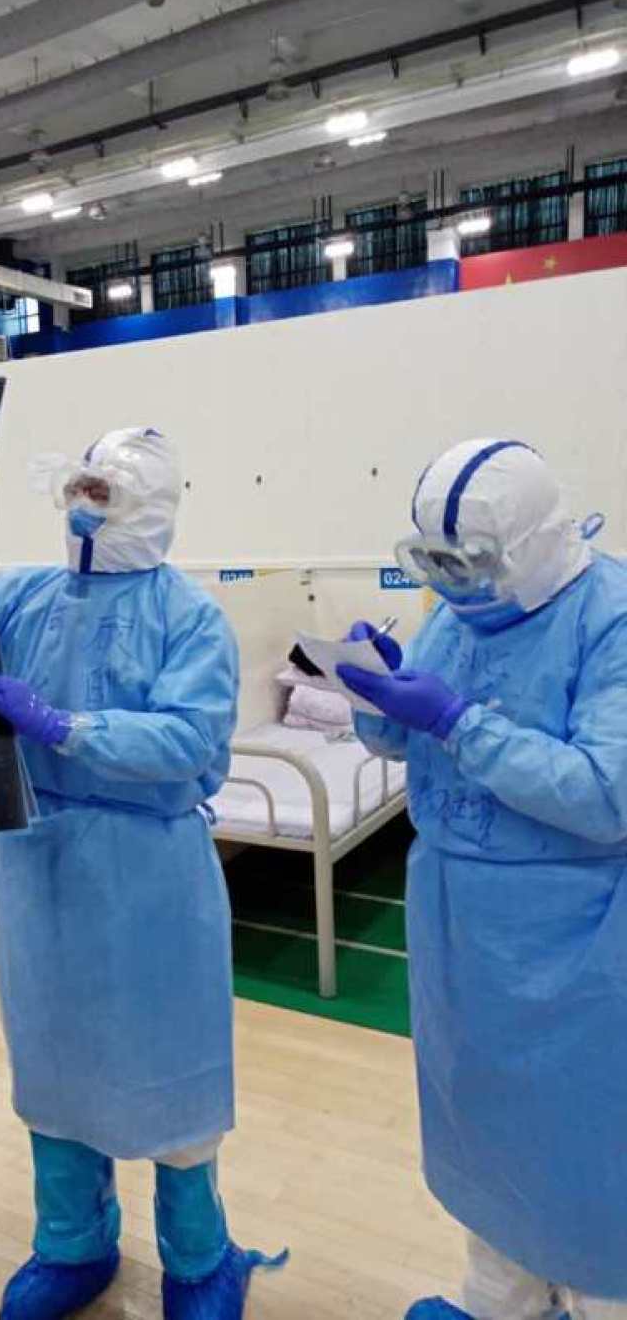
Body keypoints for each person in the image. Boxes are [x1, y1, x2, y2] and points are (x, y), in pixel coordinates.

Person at [0, 427, 285, 1320]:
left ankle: (200, 1257)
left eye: (101, 493)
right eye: (76, 488)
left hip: (150, 875)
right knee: (53, 1064)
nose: (81, 507)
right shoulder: (26, 595)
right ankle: (73, 1241)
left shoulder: (189, 617)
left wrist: (64, 725)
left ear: (148, 504)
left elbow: (190, 739)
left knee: (170, 1069)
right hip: (39, 865)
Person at [336, 439, 627, 1320]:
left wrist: (462, 722)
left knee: (587, 1153)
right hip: (459, 925)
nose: (455, 584)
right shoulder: (462, 611)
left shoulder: (609, 616)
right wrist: (378, 692)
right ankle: (503, 1299)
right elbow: (408, 740)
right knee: (487, 1133)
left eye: (470, 563)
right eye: (437, 564)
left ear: (533, 540)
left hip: (572, 940)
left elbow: (605, 793)